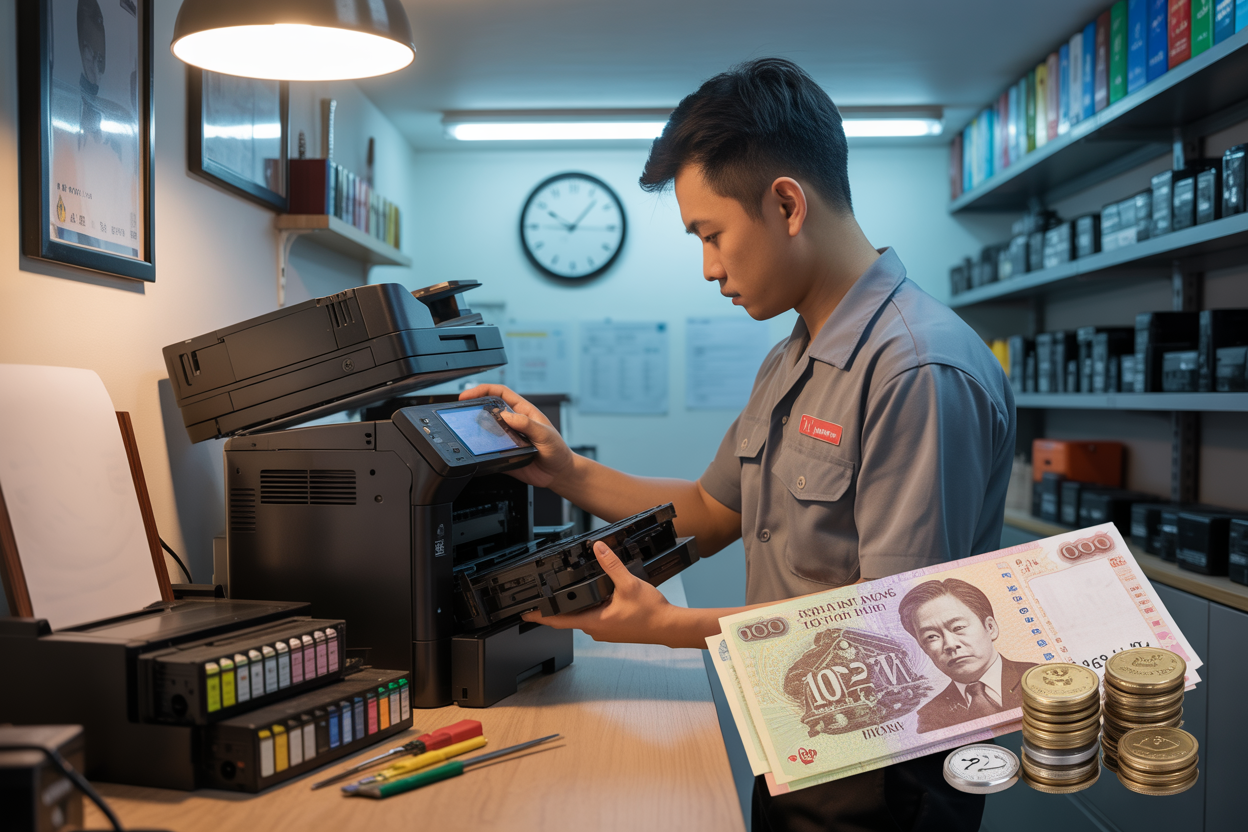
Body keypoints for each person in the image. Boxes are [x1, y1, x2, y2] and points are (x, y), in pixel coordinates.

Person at [460, 57, 1015, 832]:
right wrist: (565, 469)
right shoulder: (792, 356)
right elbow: (708, 511)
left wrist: (671, 630)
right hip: (800, 737)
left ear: (786, 204)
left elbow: (896, 624)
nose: (708, 267)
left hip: (885, 774)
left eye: (711, 234)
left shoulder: (916, 367)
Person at [898, 579, 1037, 734]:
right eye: (931, 637)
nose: (950, 645)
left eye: (958, 627)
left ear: (990, 628)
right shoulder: (929, 718)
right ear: (923, 649)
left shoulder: (1042, 677)